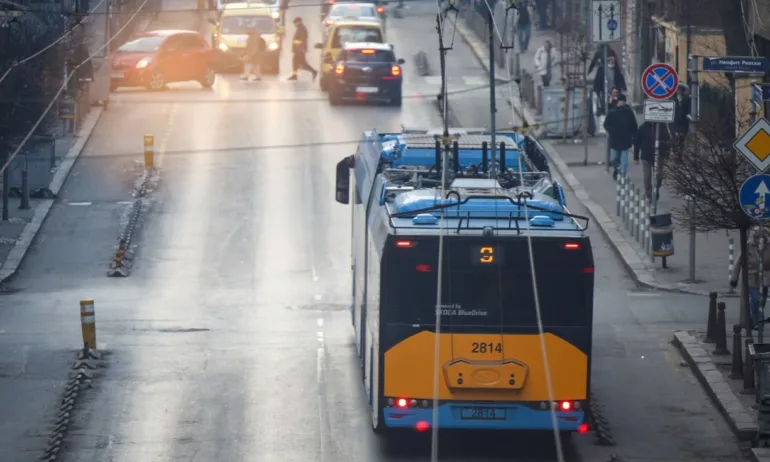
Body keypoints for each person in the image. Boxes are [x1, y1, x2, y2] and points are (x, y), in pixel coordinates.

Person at [731, 227, 770, 328]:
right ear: (754, 236)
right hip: (751, 277)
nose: (759, 240)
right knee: (756, 299)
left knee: (762, 300)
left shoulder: (769, 246)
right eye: (757, 237)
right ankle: (758, 323)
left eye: (762, 237)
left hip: (765, 278)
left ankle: (754, 319)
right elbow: (738, 262)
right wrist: (734, 279)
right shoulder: (748, 245)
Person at [633, 121, 670, 202]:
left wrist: (667, 155)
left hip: (659, 155)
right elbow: (637, 142)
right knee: (647, 177)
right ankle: (649, 195)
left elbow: (667, 141)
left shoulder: (662, 126)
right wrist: (636, 157)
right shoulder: (643, 127)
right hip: (646, 156)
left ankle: (656, 188)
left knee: (659, 175)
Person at [602, 93, 637, 179]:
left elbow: (634, 127)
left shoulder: (629, 113)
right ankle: (617, 169)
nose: (621, 102)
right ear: (618, 102)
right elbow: (606, 124)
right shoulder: (612, 112)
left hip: (626, 139)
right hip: (614, 139)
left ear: (625, 102)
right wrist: (611, 131)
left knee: (624, 160)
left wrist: (633, 141)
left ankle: (622, 174)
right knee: (614, 159)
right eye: (620, 101)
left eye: (623, 101)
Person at [288, 17, 317, 81]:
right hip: (298, 49)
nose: (295, 23)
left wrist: (299, 48)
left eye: (296, 22)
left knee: (302, 64)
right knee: (296, 63)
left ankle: (313, 71)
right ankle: (294, 75)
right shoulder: (300, 28)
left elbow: (301, 40)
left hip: (299, 50)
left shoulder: (302, 29)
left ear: (299, 21)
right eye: (294, 22)